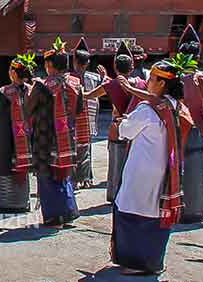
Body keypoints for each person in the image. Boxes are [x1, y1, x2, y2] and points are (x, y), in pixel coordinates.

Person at [126, 25, 203, 223]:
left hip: (173, 132)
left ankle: (174, 208)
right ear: (198, 55)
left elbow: (154, 99)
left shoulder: (172, 79)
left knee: (175, 170)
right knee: (196, 172)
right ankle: (195, 211)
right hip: (198, 133)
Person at [110, 57, 194, 275]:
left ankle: (137, 264)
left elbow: (125, 132)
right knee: (156, 213)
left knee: (132, 210)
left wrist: (120, 122)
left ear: (162, 84)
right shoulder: (176, 106)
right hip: (165, 168)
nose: (148, 82)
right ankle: (154, 261)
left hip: (142, 170)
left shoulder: (148, 109)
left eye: (152, 79)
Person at [24, 37, 84, 228]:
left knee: (47, 175)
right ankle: (68, 212)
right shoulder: (76, 83)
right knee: (63, 175)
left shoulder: (43, 86)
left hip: (45, 137)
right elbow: (79, 109)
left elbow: (28, 108)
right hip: (67, 137)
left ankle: (53, 217)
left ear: (50, 65)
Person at [85, 41, 146, 203]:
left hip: (117, 128)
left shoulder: (110, 85)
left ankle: (115, 195)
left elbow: (88, 96)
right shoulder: (141, 84)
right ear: (132, 67)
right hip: (137, 129)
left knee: (115, 163)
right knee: (133, 164)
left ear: (115, 66)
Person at [0, 53, 36, 213]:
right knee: (21, 165)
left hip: (6, 138)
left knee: (4, 163)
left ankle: (7, 203)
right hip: (26, 138)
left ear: (14, 73)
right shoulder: (32, 91)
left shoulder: (3, 92)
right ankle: (22, 201)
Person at [71, 37, 102, 189]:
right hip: (89, 119)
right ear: (88, 63)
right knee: (87, 148)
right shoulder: (94, 78)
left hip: (74, 119)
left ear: (74, 61)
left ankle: (77, 179)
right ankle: (87, 178)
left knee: (75, 148)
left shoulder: (70, 79)